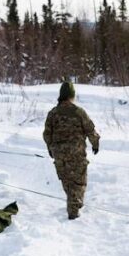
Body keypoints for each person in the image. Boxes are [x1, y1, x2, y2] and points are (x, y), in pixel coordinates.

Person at [43, 82, 100, 220]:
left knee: (67, 181)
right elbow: (90, 130)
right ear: (72, 95)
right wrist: (95, 144)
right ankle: (74, 211)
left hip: (59, 154)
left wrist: (50, 148)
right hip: (76, 153)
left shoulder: (53, 113)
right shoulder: (79, 112)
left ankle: (74, 204)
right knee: (79, 181)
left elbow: (46, 134)